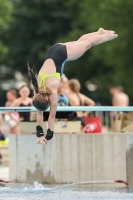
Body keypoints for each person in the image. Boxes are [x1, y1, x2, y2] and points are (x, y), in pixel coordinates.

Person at [28, 28, 118, 144]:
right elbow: (39, 112)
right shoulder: (37, 91)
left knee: (87, 44)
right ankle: (98, 32)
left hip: (63, 55)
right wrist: (40, 135)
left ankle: (107, 36)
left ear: (47, 98)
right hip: (54, 50)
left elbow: (52, 116)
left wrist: (49, 136)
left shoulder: (52, 91)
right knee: (79, 42)